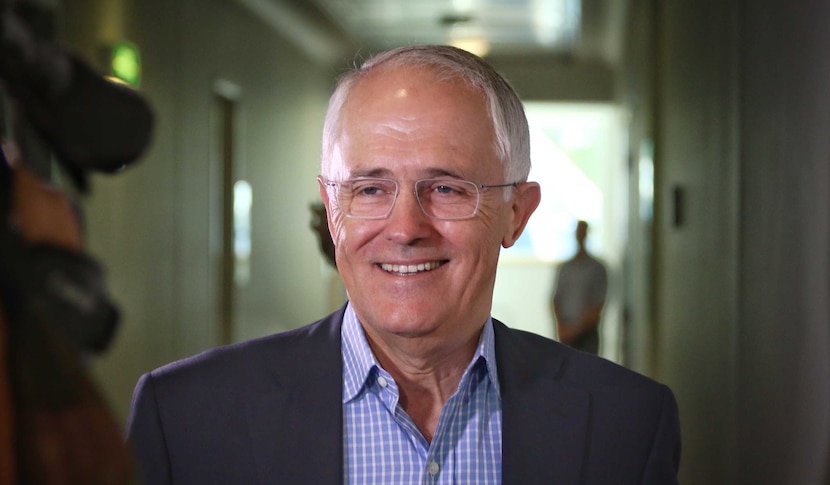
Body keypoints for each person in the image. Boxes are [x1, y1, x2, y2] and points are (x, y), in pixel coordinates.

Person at [126, 45, 681, 484]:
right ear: (332, 208)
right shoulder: (184, 419)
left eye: (446, 187)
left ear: (516, 212)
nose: (406, 228)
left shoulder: (625, 424)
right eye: (370, 189)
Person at [551, 219, 608, 354]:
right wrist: (562, 328)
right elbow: (556, 299)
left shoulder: (597, 268)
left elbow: (598, 304)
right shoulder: (565, 268)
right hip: (566, 332)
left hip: (587, 335)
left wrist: (575, 330)